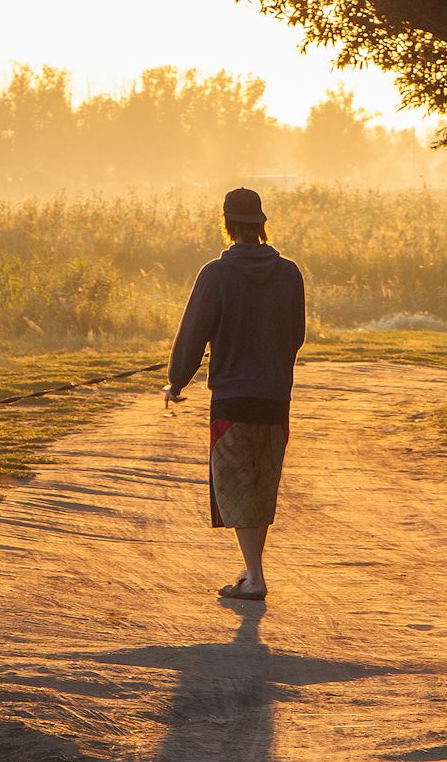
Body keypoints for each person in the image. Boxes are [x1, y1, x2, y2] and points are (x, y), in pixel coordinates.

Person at [164, 186, 306, 602]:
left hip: (233, 397)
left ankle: (255, 577)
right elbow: (295, 335)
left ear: (226, 224)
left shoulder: (216, 274)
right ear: (262, 224)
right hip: (275, 397)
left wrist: (176, 380)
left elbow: (193, 334)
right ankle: (250, 570)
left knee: (236, 484)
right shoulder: (289, 273)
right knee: (261, 483)